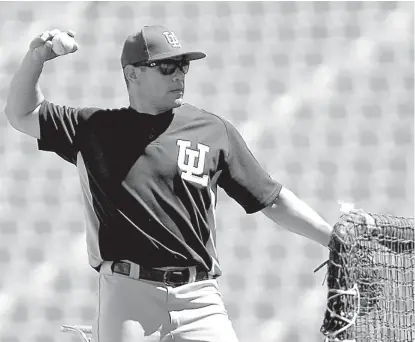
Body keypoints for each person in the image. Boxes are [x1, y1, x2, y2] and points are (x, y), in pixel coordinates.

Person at [4, 25, 333, 342]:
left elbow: (271, 199)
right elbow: (21, 113)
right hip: (128, 298)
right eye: (166, 66)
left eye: (183, 66)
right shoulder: (94, 128)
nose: (178, 74)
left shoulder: (212, 130)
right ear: (133, 74)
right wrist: (37, 58)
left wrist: (335, 240)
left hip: (199, 300)